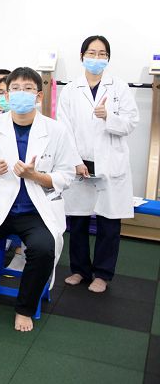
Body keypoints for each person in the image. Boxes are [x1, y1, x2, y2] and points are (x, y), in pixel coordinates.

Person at [0, 67, 77, 332]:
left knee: (43, 249)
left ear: (38, 95)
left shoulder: (56, 130)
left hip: (36, 210)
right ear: (6, 94)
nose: (20, 93)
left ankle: (24, 308)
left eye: (27, 88)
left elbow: (67, 175)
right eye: (15, 89)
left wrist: (36, 176)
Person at [57, 35, 139, 293]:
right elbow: (64, 128)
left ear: (108, 58)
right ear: (82, 56)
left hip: (110, 164)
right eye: (91, 53)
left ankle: (102, 274)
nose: (96, 58)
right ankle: (80, 269)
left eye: (102, 53)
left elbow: (131, 123)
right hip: (80, 163)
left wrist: (109, 116)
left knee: (109, 221)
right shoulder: (71, 90)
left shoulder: (119, 87)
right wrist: (74, 161)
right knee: (78, 220)